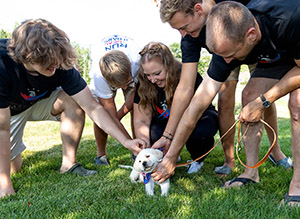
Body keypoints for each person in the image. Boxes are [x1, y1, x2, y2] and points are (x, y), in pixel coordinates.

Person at [0, 19, 145, 198]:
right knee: (13, 169)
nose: (55, 66)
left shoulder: (59, 63)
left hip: (36, 102)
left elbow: (92, 106)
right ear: (27, 54)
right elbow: (2, 128)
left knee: (73, 100)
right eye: (48, 63)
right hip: (6, 112)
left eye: (57, 61)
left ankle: (68, 164)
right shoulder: (3, 64)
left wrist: (126, 141)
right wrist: (4, 182)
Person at [152, 0, 290, 179]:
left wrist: (263, 99)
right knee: (226, 97)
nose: (183, 34)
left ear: (198, 9)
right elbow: (187, 91)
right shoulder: (191, 39)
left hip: (253, 41)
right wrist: (168, 139)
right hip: (225, 52)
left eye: (185, 26)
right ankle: (231, 161)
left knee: (260, 97)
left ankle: (275, 151)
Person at [204, 0, 300, 205]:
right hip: (282, 51)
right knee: (249, 97)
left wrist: (264, 101)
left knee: (298, 103)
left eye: (231, 55)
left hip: (295, 39)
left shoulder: (291, 17)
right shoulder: (235, 32)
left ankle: (298, 185)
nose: (228, 62)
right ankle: (250, 173)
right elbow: (197, 99)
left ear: (251, 35)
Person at [134, 42, 219, 173]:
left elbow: (192, 115)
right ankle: (165, 155)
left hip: (196, 117)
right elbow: (142, 121)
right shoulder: (144, 82)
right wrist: (146, 149)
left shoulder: (188, 76)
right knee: (153, 133)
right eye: (148, 75)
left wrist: (169, 139)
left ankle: (197, 159)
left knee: (201, 132)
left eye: (157, 73)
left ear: (169, 66)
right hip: (165, 120)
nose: (152, 80)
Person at [89, 35, 140, 165]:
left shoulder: (137, 60)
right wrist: (110, 120)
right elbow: (107, 110)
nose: (124, 87)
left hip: (133, 73)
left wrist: (116, 117)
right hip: (105, 77)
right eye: (120, 85)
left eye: (126, 82)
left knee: (138, 108)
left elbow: (136, 94)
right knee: (101, 116)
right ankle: (101, 154)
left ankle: (139, 146)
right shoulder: (99, 76)